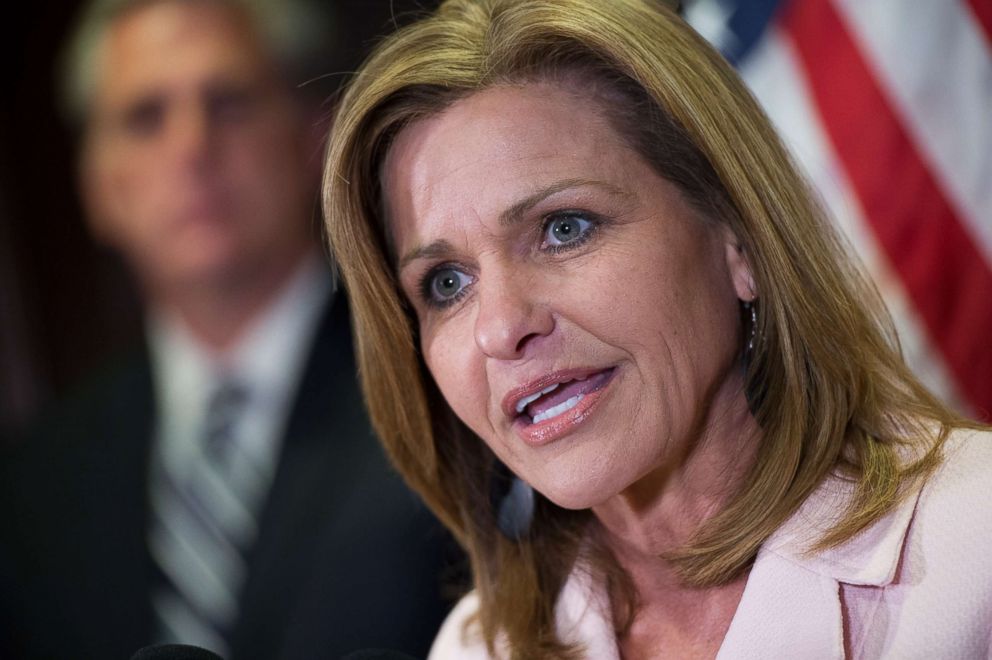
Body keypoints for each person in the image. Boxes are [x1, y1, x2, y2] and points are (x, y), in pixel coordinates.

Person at [320, 0, 992, 657]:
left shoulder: (976, 549)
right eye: (447, 284)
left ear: (740, 241)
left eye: (564, 229)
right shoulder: (477, 647)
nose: (501, 328)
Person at [0, 1, 456, 658]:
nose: (192, 148)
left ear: (312, 140)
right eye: (145, 117)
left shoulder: (438, 380)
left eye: (230, 101)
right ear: (98, 186)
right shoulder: (35, 483)